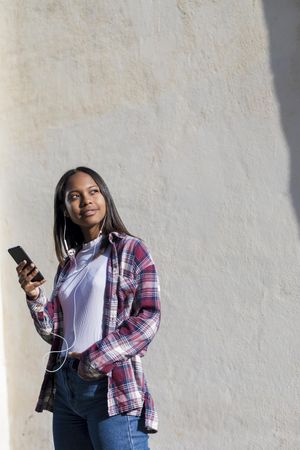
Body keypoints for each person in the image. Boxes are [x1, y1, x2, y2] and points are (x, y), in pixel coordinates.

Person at [16, 167, 161, 450]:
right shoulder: (68, 265)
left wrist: (95, 360)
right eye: (75, 196)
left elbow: (149, 317)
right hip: (65, 387)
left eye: (93, 191)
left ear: (105, 196)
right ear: (65, 209)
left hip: (110, 385)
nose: (86, 200)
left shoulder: (130, 250)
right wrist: (34, 295)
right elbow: (53, 333)